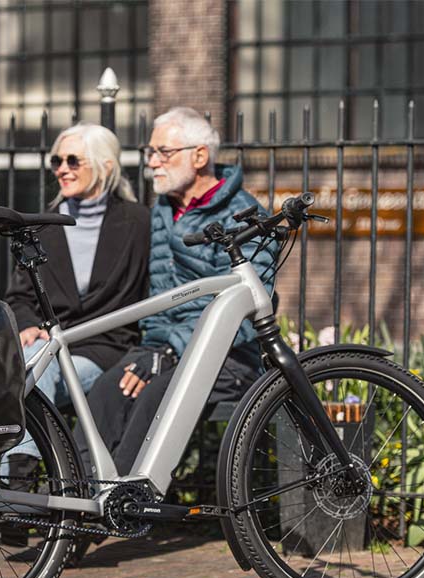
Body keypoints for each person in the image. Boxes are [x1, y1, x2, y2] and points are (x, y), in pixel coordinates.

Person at [78, 107, 279, 477]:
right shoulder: (164, 209)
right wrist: (156, 350)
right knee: (108, 391)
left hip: (227, 356)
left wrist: (173, 349)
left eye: (162, 152)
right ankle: (75, 496)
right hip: (161, 349)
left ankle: (124, 496)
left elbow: (249, 307)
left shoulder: (245, 216)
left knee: (158, 396)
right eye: (149, 152)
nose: (152, 162)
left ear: (199, 156)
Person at [3, 122, 151, 471]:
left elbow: (155, 289)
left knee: (37, 369)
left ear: (106, 166)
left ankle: (19, 477)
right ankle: (23, 474)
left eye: (73, 161)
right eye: (56, 161)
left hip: (104, 348)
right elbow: (19, 296)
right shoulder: (41, 225)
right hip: (48, 345)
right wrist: (26, 325)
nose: (62, 170)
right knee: (37, 359)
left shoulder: (140, 223)